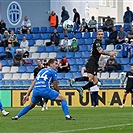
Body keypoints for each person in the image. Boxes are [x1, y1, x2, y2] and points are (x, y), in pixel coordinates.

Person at [69, 29, 116, 98]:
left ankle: (82, 88)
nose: (100, 36)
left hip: (95, 62)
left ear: (103, 35)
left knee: (95, 81)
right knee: (90, 78)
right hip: (92, 62)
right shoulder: (97, 42)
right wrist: (110, 54)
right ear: (97, 35)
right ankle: (74, 80)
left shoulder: (99, 42)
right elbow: (100, 51)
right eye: (99, 34)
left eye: (101, 34)